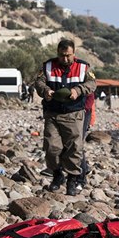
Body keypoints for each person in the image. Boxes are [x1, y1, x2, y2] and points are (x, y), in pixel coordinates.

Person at [34, 39, 96, 196]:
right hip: (52, 114)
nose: (65, 59)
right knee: (51, 147)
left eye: (68, 56)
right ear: (57, 53)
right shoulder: (48, 66)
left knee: (74, 148)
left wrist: (78, 90)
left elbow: (92, 84)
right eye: (62, 56)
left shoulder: (83, 67)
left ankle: (72, 180)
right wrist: (45, 91)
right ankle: (57, 175)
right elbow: (39, 83)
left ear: (74, 53)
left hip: (74, 114)